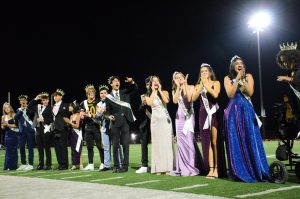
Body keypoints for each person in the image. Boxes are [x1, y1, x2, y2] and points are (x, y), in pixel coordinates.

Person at [224, 55, 270, 182]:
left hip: (247, 111)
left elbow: (250, 93)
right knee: (236, 140)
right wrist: (237, 79)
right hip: (233, 113)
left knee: (251, 138)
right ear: (232, 66)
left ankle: (255, 168)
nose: (239, 65)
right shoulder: (227, 78)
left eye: (241, 63)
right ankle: (239, 170)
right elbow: (230, 94)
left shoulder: (248, 76)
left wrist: (242, 80)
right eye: (236, 63)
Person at [192, 64, 227, 179]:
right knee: (207, 142)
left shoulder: (215, 83)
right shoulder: (198, 85)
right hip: (203, 114)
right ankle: (211, 169)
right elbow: (193, 98)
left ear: (210, 73)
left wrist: (206, 85)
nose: (204, 73)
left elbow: (215, 94)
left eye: (206, 71)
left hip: (213, 112)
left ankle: (217, 169)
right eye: (202, 71)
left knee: (214, 141)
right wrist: (201, 85)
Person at [171, 72, 203, 176]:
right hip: (179, 118)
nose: (179, 78)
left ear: (184, 77)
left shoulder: (191, 86)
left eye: (180, 77)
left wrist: (185, 85)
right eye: (176, 78)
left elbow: (189, 99)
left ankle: (191, 167)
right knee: (181, 144)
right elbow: (175, 101)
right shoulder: (175, 90)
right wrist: (178, 88)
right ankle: (182, 167)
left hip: (189, 117)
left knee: (189, 141)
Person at [105, 76, 138, 173]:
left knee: (126, 145)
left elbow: (135, 88)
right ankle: (116, 166)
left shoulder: (124, 92)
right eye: (115, 81)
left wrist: (132, 82)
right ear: (111, 84)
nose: (117, 82)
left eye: (118, 81)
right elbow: (107, 111)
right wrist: (108, 116)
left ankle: (125, 166)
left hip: (125, 122)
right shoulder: (108, 97)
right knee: (115, 145)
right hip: (115, 122)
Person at [145, 75, 174, 175]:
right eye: (154, 81)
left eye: (157, 81)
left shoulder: (165, 92)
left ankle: (167, 168)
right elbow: (149, 103)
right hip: (155, 122)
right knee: (157, 144)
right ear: (151, 84)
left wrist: (160, 90)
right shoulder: (148, 95)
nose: (156, 82)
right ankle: (158, 168)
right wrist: (153, 91)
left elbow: (166, 101)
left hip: (165, 121)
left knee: (166, 143)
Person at [276, 42, 300, 138]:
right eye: (282, 62)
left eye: (286, 61)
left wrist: (288, 79)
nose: (285, 64)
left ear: (293, 58)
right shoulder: (292, 72)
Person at [28, 92, 54, 170]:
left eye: (46, 100)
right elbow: (29, 106)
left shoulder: (51, 108)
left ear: (48, 100)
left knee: (47, 147)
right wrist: (36, 98)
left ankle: (48, 165)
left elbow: (52, 119)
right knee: (39, 148)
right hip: (38, 129)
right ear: (41, 101)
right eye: (43, 100)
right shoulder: (38, 106)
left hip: (46, 129)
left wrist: (44, 120)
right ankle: (41, 164)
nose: (45, 101)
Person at [80, 84, 103, 171]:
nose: (91, 94)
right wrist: (83, 115)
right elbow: (81, 116)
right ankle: (90, 164)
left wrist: (91, 115)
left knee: (100, 146)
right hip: (87, 126)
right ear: (87, 94)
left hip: (97, 126)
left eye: (93, 92)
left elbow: (100, 114)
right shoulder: (83, 103)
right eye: (90, 92)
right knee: (89, 146)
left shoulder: (98, 101)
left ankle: (103, 163)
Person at [14, 95, 35, 171]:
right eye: (21, 100)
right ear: (20, 102)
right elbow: (15, 118)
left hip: (29, 130)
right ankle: (23, 163)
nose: (23, 101)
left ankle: (31, 164)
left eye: (24, 100)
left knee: (30, 148)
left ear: (26, 101)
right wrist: (21, 110)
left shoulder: (30, 109)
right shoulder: (18, 110)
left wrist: (26, 108)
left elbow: (32, 114)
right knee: (22, 147)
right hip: (21, 131)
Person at [135, 76, 152, 174]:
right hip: (145, 123)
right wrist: (142, 104)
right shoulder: (143, 95)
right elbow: (139, 110)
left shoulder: (158, 94)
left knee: (158, 144)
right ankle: (144, 165)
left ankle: (159, 164)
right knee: (143, 145)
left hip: (156, 122)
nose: (148, 86)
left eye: (149, 83)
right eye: (147, 84)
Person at [96, 85, 112, 171]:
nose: (103, 95)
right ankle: (107, 165)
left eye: (105, 93)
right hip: (104, 127)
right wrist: (99, 113)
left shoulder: (112, 101)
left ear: (107, 94)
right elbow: (97, 117)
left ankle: (120, 163)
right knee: (106, 147)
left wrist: (104, 111)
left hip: (113, 126)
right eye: (101, 93)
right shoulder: (98, 104)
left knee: (117, 146)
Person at [52, 89, 69, 170]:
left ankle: (65, 164)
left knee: (63, 147)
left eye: (57, 95)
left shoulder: (66, 105)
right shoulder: (53, 106)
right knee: (57, 147)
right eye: (54, 96)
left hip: (63, 129)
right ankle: (60, 163)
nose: (55, 97)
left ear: (61, 97)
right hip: (55, 129)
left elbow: (72, 113)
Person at [64, 101, 82, 170]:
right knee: (73, 149)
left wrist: (69, 122)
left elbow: (77, 126)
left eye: (70, 106)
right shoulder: (71, 116)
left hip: (77, 134)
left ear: (74, 107)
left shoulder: (78, 115)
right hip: (72, 133)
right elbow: (70, 125)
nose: (69, 107)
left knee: (78, 149)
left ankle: (80, 165)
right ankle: (74, 164)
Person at [1, 102, 18, 170]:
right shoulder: (3, 117)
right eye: (5, 108)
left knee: (14, 150)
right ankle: (7, 166)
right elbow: (2, 127)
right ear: (4, 109)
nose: (7, 109)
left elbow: (16, 125)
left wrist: (7, 124)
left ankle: (13, 166)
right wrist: (3, 125)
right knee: (8, 150)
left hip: (14, 134)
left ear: (10, 108)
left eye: (8, 107)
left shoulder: (14, 115)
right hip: (7, 135)